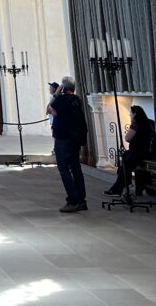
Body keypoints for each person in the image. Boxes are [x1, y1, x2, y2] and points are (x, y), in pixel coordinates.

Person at [47, 75, 88, 213]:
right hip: (75, 139)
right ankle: (81, 200)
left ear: (63, 88)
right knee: (76, 168)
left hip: (63, 138)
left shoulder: (61, 99)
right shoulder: (77, 100)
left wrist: (57, 93)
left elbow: (49, 108)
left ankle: (73, 200)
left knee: (63, 169)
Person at [104, 105, 153, 197]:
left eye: (131, 113)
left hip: (138, 153)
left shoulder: (136, 123)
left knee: (125, 165)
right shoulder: (148, 123)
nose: (129, 114)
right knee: (125, 156)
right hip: (146, 152)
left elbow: (127, 138)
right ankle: (125, 183)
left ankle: (119, 187)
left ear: (135, 113)